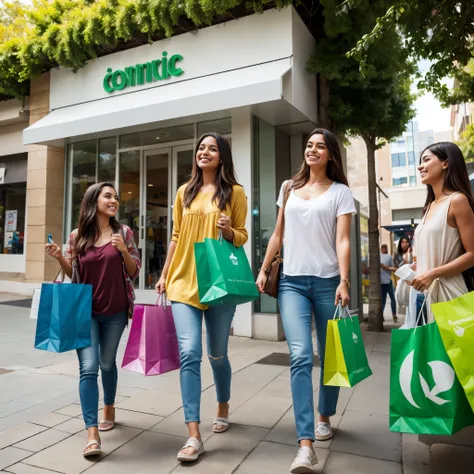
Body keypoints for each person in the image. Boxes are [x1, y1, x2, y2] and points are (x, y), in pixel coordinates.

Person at [256, 128, 355, 474]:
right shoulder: (289, 188)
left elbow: (343, 241)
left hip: (329, 283)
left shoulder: (341, 192)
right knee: (300, 355)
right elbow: (278, 234)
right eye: (309, 145)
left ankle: (324, 415)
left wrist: (344, 280)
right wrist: (265, 268)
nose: (313, 150)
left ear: (330, 155)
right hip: (291, 284)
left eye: (320, 146)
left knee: (331, 357)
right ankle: (305, 445)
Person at [155, 133, 248, 463]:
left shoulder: (234, 193)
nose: (204, 152)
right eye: (200, 148)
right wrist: (165, 274)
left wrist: (226, 229)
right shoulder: (184, 192)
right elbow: (177, 236)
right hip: (183, 280)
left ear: (222, 156)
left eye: (211, 148)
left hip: (218, 283)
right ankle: (193, 433)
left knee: (217, 354)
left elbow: (241, 236)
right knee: (190, 352)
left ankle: (222, 404)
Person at [45, 182, 141, 458]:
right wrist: (59, 259)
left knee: (107, 362)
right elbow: (73, 274)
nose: (114, 201)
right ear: (93, 201)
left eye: (116, 197)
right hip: (85, 311)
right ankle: (91, 432)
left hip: (116, 310)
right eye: (107, 196)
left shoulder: (124, 232)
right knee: (88, 368)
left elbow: (134, 272)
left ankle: (109, 405)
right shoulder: (78, 235)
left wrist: (123, 250)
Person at [410, 142, 474, 323]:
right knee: (429, 352)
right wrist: (418, 270)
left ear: (445, 163)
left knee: (451, 352)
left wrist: (432, 273)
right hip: (425, 297)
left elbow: (472, 254)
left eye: (426, 160)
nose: (419, 166)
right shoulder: (429, 206)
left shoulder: (457, 200)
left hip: (450, 296)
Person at [380, 244, 398, 322]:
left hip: (388, 281)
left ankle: (394, 314)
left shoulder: (389, 256)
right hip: (381, 282)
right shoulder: (378, 256)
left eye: (386, 248)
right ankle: (381, 315)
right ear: (381, 249)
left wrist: (385, 267)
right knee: (383, 300)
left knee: (393, 298)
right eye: (383, 248)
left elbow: (393, 268)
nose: (385, 249)